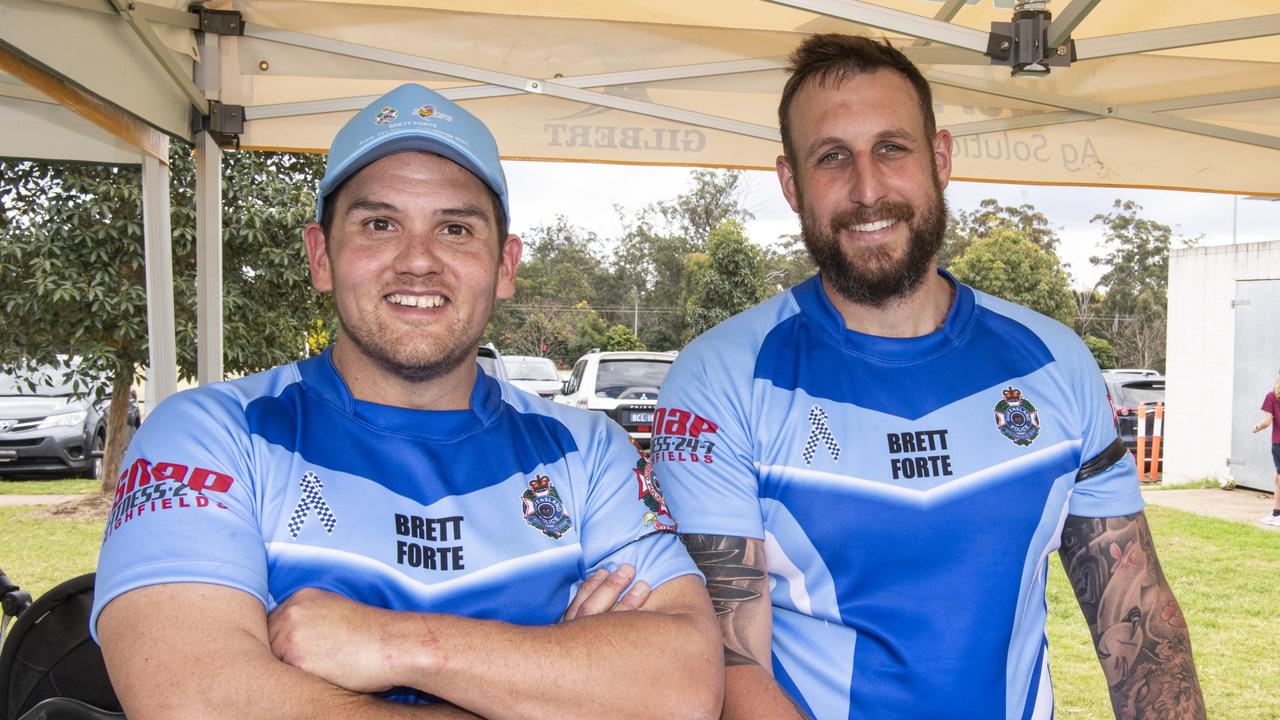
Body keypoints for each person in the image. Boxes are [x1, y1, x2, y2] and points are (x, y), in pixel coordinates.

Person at [91, 83, 722, 719]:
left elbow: (684, 686)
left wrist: (400, 646)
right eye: (379, 224)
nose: (418, 261)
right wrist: (557, 677)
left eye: (454, 228)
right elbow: (200, 702)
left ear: (504, 266)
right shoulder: (212, 434)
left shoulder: (587, 452)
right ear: (321, 257)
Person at [652, 34, 1205, 720]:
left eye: (892, 147)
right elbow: (727, 668)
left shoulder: (1054, 363)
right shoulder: (721, 380)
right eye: (832, 157)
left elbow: (1140, 626)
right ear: (791, 182)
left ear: (939, 158)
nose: (867, 188)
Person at [1252, 369, 1280, 526]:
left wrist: (1256, 427)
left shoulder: (1272, 396)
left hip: (1279, 443)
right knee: (1277, 477)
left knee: (1279, 477)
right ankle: (1276, 512)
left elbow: (1267, 422)